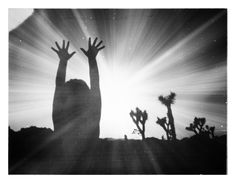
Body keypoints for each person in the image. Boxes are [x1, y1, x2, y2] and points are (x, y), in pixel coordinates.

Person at [51, 37, 105, 140]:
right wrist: (92, 59)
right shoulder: (92, 121)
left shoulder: (60, 125)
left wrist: (63, 61)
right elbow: (95, 85)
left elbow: (59, 86)